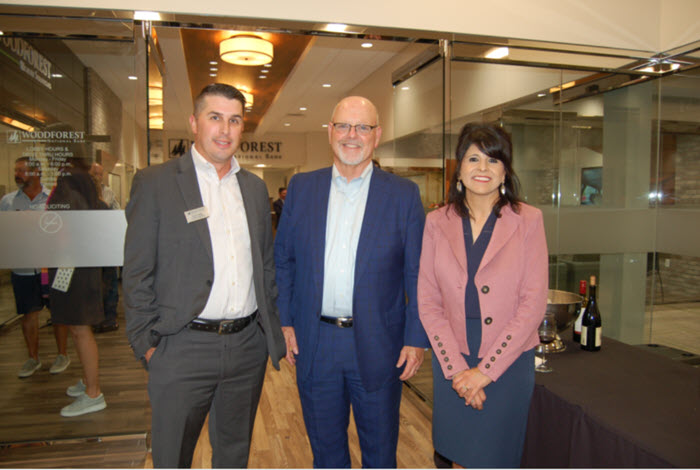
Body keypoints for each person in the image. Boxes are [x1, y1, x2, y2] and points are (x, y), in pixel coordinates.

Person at [123, 83, 285, 468]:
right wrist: (147, 343)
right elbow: (137, 271)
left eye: (234, 120)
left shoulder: (254, 189)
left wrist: (267, 335)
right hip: (181, 346)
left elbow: (264, 265)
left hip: (247, 347)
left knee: (233, 455)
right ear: (194, 122)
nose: (225, 130)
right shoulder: (157, 183)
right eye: (215, 118)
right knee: (171, 456)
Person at [274, 96, 428, 468]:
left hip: (380, 343)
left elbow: (419, 274)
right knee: (326, 454)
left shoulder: (403, 195)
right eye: (343, 125)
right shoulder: (301, 188)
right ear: (330, 132)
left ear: (377, 136)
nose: (352, 135)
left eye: (362, 127)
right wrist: (286, 320)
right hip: (316, 343)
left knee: (380, 453)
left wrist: (415, 338)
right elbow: (283, 261)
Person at [417, 123, 548, 468]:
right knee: (457, 456)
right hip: (451, 357)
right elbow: (429, 302)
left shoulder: (529, 221)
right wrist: (459, 371)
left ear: (505, 170)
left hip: (508, 359)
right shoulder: (436, 222)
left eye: (493, 160)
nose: (482, 168)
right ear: (458, 167)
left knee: (496, 458)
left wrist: (484, 372)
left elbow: (532, 305)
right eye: (473, 158)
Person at [47, 151, 107, 417]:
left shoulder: (71, 180)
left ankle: (94, 393)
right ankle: (89, 381)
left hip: (74, 264)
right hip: (76, 262)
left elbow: (67, 226)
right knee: (76, 327)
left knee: (80, 328)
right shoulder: (79, 179)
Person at [0, 157, 70, 378]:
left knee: (58, 312)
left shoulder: (53, 198)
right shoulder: (7, 202)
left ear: (36, 173)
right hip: (23, 268)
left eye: (22, 170)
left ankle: (62, 355)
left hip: (51, 267)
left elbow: (63, 231)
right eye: (16, 170)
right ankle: (33, 358)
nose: (18, 174)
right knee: (28, 313)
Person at [89, 162, 120, 333]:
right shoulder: (80, 197)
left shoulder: (108, 194)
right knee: (94, 284)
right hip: (89, 250)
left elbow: (116, 216)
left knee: (109, 283)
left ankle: (109, 317)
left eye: (100, 174)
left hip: (107, 247)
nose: (97, 177)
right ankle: (94, 317)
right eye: (94, 173)